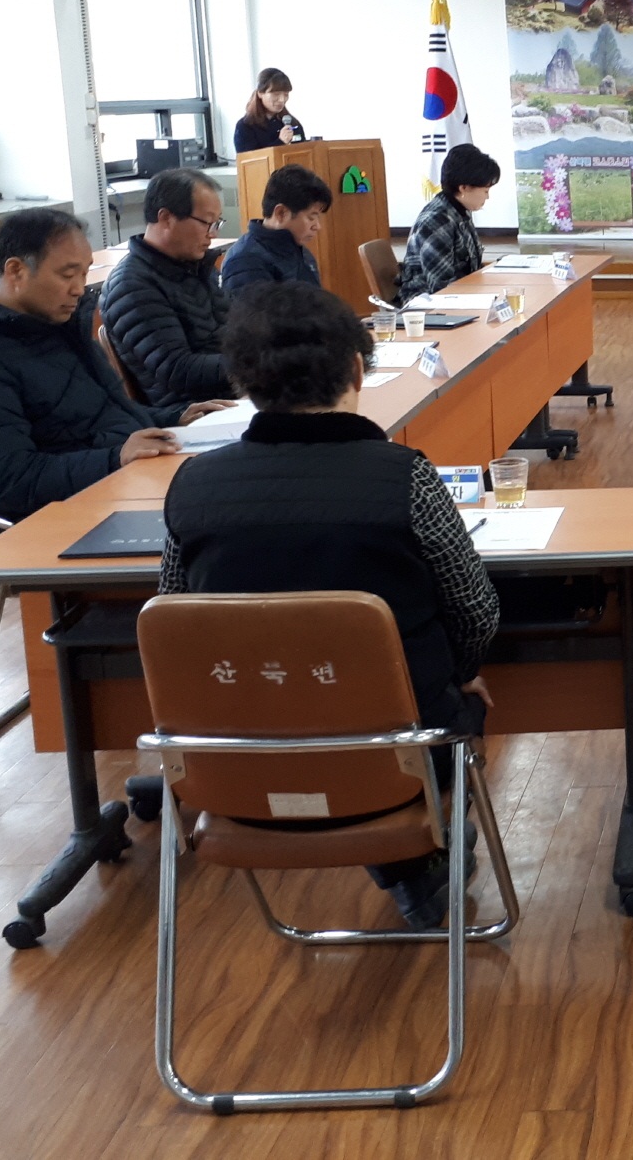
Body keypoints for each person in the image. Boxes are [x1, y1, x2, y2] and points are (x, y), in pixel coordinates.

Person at [159, 280, 498, 930]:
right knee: (427, 708)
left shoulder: (191, 486)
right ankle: (415, 861)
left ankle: (413, 870)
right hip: (403, 752)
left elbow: (176, 619)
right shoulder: (406, 479)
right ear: (356, 370)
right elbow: (474, 610)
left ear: (243, 382)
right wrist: (460, 673)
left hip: (236, 761)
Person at [0, 208, 222, 521]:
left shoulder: (54, 327)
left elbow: (105, 415)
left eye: (84, 274)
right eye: (67, 275)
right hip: (69, 518)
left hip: (120, 486)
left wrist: (175, 416)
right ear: (16, 271)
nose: (79, 289)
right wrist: (115, 458)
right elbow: (8, 479)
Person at [100, 167, 236, 408]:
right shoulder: (131, 286)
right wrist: (260, 363)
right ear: (166, 218)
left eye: (217, 223)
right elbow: (178, 370)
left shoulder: (198, 267)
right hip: (195, 411)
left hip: (236, 391)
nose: (213, 234)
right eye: (207, 223)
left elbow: (236, 329)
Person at [397, 143, 499, 303]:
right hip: (429, 304)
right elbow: (441, 287)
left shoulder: (458, 210)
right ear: (464, 188)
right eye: (485, 191)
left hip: (460, 295)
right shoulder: (437, 220)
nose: (487, 197)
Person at [219, 163, 329, 298]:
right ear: (281, 213)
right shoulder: (245, 261)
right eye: (311, 217)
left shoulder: (299, 250)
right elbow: (253, 312)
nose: (317, 226)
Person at [230, 67, 305, 154]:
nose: (282, 99)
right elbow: (249, 159)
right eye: (276, 94)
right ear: (260, 93)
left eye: (286, 94)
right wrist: (280, 142)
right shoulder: (246, 126)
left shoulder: (292, 123)